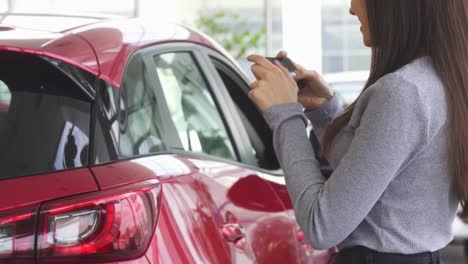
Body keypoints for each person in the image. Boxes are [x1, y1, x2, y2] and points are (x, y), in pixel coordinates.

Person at [247, 0, 468, 263]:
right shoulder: (441, 77)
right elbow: (371, 175)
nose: (351, 8)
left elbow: (322, 226)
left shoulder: (404, 92)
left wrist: (285, 114)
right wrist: (323, 111)